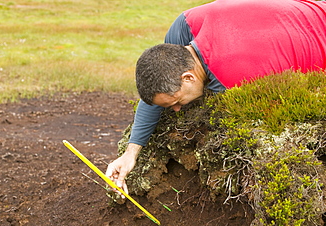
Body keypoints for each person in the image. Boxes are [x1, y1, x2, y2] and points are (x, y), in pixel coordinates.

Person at [105, 0, 326, 197]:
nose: (176, 110)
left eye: (176, 102)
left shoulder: (232, 82)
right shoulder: (186, 24)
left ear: (189, 77)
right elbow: (157, 89)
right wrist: (130, 153)